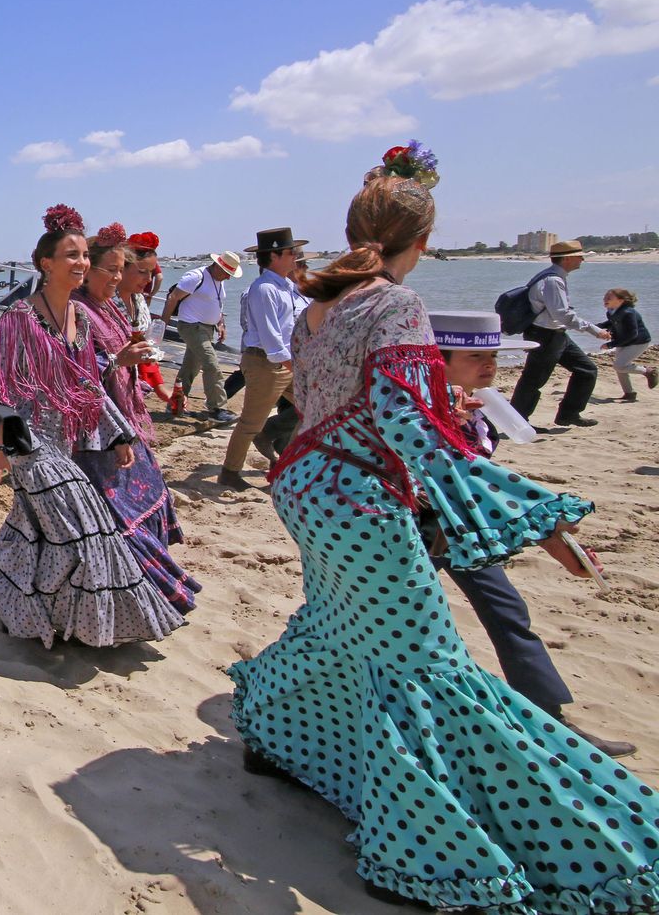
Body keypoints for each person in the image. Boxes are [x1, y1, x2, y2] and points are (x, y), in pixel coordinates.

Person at [228, 158, 659, 911]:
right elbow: (407, 425)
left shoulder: (318, 308)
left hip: (304, 486)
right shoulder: (396, 303)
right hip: (357, 499)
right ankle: (424, 847)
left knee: (336, 627)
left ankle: (276, 737)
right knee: (423, 667)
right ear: (421, 241)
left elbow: (339, 402)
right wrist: (536, 511)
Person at [0, 206, 187, 648]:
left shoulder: (82, 319)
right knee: (87, 532)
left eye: (85, 254)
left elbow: (87, 385)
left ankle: (9, 583)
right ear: (46, 263)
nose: (82, 263)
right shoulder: (19, 318)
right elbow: (3, 390)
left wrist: (119, 432)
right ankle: (75, 617)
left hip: (67, 439)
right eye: (71, 255)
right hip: (31, 445)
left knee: (39, 535)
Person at [428, 309, 635, 758]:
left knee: (507, 612)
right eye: (476, 356)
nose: (491, 366)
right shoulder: (411, 408)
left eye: (495, 356)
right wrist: (547, 529)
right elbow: (465, 476)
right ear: (436, 358)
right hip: (409, 535)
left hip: (462, 532)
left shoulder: (476, 401)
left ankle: (548, 720)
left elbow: (480, 476)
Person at [72, 226, 201, 614]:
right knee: (113, 510)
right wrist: (119, 360)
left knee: (143, 495)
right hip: (99, 427)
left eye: (120, 269)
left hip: (124, 413)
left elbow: (120, 351)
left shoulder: (110, 304)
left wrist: (141, 367)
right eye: (111, 270)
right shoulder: (77, 310)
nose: (118, 277)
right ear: (86, 270)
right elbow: (70, 373)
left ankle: (140, 587)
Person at [220, 227, 310, 490]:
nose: (296, 257)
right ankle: (229, 472)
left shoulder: (288, 286)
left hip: (285, 362)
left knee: (311, 411)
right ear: (275, 256)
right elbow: (271, 337)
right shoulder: (264, 289)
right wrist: (293, 363)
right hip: (266, 362)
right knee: (250, 422)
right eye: (291, 252)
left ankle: (285, 462)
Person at [508, 239, 610, 428]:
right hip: (545, 335)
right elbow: (562, 314)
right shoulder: (553, 281)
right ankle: (518, 422)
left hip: (555, 334)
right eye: (579, 257)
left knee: (586, 370)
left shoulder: (552, 276)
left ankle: (569, 415)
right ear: (567, 259)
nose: (582, 260)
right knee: (533, 380)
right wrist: (594, 330)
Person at [162, 250, 241, 424]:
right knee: (211, 365)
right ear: (218, 266)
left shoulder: (219, 281)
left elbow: (217, 304)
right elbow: (173, 298)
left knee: (189, 369)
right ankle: (216, 408)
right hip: (191, 326)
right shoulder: (196, 277)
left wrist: (221, 324)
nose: (228, 278)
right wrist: (162, 324)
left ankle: (175, 404)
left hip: (207, 329)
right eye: (228, 273)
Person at [121, 231, 174, 406]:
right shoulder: (101, 305)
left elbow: (145, 350)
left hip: (131, 389)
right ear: (121, 268)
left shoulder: (139, 300)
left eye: (151, 272)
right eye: (142, 272)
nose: (148, 279)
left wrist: (160, 388)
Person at [602, 288, 655, 401]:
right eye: (605, 297)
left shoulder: (628, 312)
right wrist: (592, 328)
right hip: (623, 341)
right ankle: (629, 393)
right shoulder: (611, 311)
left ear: (621, 301)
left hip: (638, 342)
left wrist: (611, 344)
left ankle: (648, 371)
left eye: (609, 298)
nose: (605, 299)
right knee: (621, 367)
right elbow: (610, 323)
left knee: (619, 366)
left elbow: (632, 334)